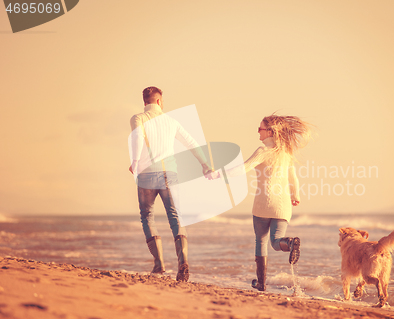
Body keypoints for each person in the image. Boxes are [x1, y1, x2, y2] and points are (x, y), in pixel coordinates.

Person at [209, 114, 311, 291]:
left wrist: (219, 174)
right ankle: (291, 243)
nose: (258, 132)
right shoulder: (286, 153)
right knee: (276, 241)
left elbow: (244, 168)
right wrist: (296, 195)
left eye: (260, 129)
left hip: (263, 204)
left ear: (270, 131)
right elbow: (293, 177)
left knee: (261, 242)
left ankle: (262, 283)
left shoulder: (262, 151)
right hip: (283, 205)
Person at [129, 86, 212, 281]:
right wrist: (205, 164)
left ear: (145, 102)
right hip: (170, 174)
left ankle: (159, 265)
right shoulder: (171, 121)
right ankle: (182, 261)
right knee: (175, 218)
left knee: (147, 216)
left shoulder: (138, 118)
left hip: (147, 174)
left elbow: (138, 138)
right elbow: (191, 142)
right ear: (159, 101)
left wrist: (134, 162)